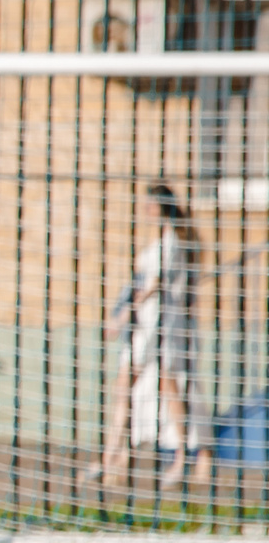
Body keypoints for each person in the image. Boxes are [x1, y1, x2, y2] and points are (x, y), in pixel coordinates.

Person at [90, 181, 212, 490]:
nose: (144, 210)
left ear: (159, 206)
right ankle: (114, 455)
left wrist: (121, 315)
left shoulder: (171, 243)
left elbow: (151, 286)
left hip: (158, 325)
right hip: (160, 324)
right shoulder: (175, 241)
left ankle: (184, 456)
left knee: (169, 390)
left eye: (149, 204)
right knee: (140, 387)